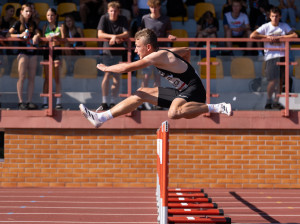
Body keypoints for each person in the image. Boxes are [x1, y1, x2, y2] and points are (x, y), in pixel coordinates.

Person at [79, 28, 232, 128]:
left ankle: (218, 107)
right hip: (182, 92)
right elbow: (186, 50)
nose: (135, 50)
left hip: (195, 91)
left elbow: (127, 68)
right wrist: (186, 67)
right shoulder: (166, 53)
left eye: (137, 46)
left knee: (173, 113)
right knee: (141, 93)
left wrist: (106, 68)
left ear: (148, 47)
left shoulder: (157, 56)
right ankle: (102, 118)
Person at [250, 6, 297, 110]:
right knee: (273, 80)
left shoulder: (284, 26)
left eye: (276, 16)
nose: (274, 18)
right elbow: (252, 35)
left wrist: (280, 38)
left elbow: (294, 35)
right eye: (272, 16)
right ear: (269, 17)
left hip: (282, 56)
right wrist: (267, 37)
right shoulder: (266, 26)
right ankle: (268, 100)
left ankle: (276, 101)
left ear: (280, 16)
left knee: (281, 81)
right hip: (271, 56)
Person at [139, 0, 176, 110]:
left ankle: (156, 102)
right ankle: (141, 101)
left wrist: (170, 36)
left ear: (159, 7)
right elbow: (140, 34)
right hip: (147, 52)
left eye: (155, 7)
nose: (153, 9)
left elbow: (168, 32)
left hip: (160, 53)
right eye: (151, 7)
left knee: (157, 77)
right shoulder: (144, 18)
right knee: (145, 76)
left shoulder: (165, 19)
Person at [97, 1, 129, 111]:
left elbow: (126, 34)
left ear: (118, 11)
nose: (113, 13)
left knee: (116, 76)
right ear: (108, 11)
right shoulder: (104, 18)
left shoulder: (123, 19)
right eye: (111, 11)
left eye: (115, 11)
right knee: (106, 75)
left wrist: (115, 37)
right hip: (107, 52)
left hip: (119, 52)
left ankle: (113, 101)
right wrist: (113, 37)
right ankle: (104, 101)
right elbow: (99, 34)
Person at [8, 3, 41, 110]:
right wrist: (19, 35)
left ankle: (29, 101)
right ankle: (20, 101)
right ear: (22, 12)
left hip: (32, 51)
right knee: (22, 76)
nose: (28, 13)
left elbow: (38, 33)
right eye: (26, 11)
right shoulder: (18, 23)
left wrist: (37, 35)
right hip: (22, 51)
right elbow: (8, 34)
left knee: (31, 77)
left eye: (30, 11)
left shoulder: (33, 23)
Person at [42, 8, 65, 110]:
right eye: (48, 15)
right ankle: (45, 102)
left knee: (57, 78)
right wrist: (49, 39)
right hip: (47, 53)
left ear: (55, 16)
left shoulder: (60, 26)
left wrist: (55, 40)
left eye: (52, 15)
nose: (50, 17)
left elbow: (63, 40)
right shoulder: (45, 26)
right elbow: (43, 41)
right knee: (47, 78)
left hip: (56, 53)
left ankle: (58, 102)